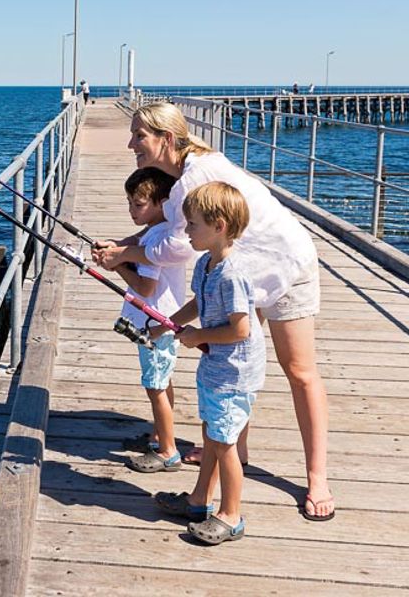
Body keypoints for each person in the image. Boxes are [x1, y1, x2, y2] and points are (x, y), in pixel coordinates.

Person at [92, 101, 335, 521]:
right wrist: (122, 247)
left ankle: (317, 477)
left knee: (299, 371)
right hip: (237, 276)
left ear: (166, 139)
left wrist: (125, 254)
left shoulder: (195, 177)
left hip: (285, 264)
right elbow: (165, 229)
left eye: (139, 136)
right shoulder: (181, 175)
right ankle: (229, 451)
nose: (130, 142)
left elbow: (177, 245)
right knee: (232, 372)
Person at [150, 181, 264, 544]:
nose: (186, 231)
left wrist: (198, 337)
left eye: (193, 225)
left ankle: (231, 515)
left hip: (235, 373)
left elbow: (241, 330)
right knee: (211, 435)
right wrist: (168, 323)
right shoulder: (205, 263)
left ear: (220, 226)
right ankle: (200, 500)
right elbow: (198, 304)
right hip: (216, 368)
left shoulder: (232, 274)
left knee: (226, 442)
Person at [110, 168, 187, 473]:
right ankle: (159, 435)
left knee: (155, 385)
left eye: (138, 205)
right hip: (163, 324)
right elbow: (134, 242)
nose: (131, 211)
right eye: (129, 203)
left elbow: (145, 288)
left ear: (162, 203)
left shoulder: (156, 241)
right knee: (163, 380)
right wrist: (116, 249)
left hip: (155, 327)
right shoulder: (160, 229)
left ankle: (168, 451)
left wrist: (117, 265)